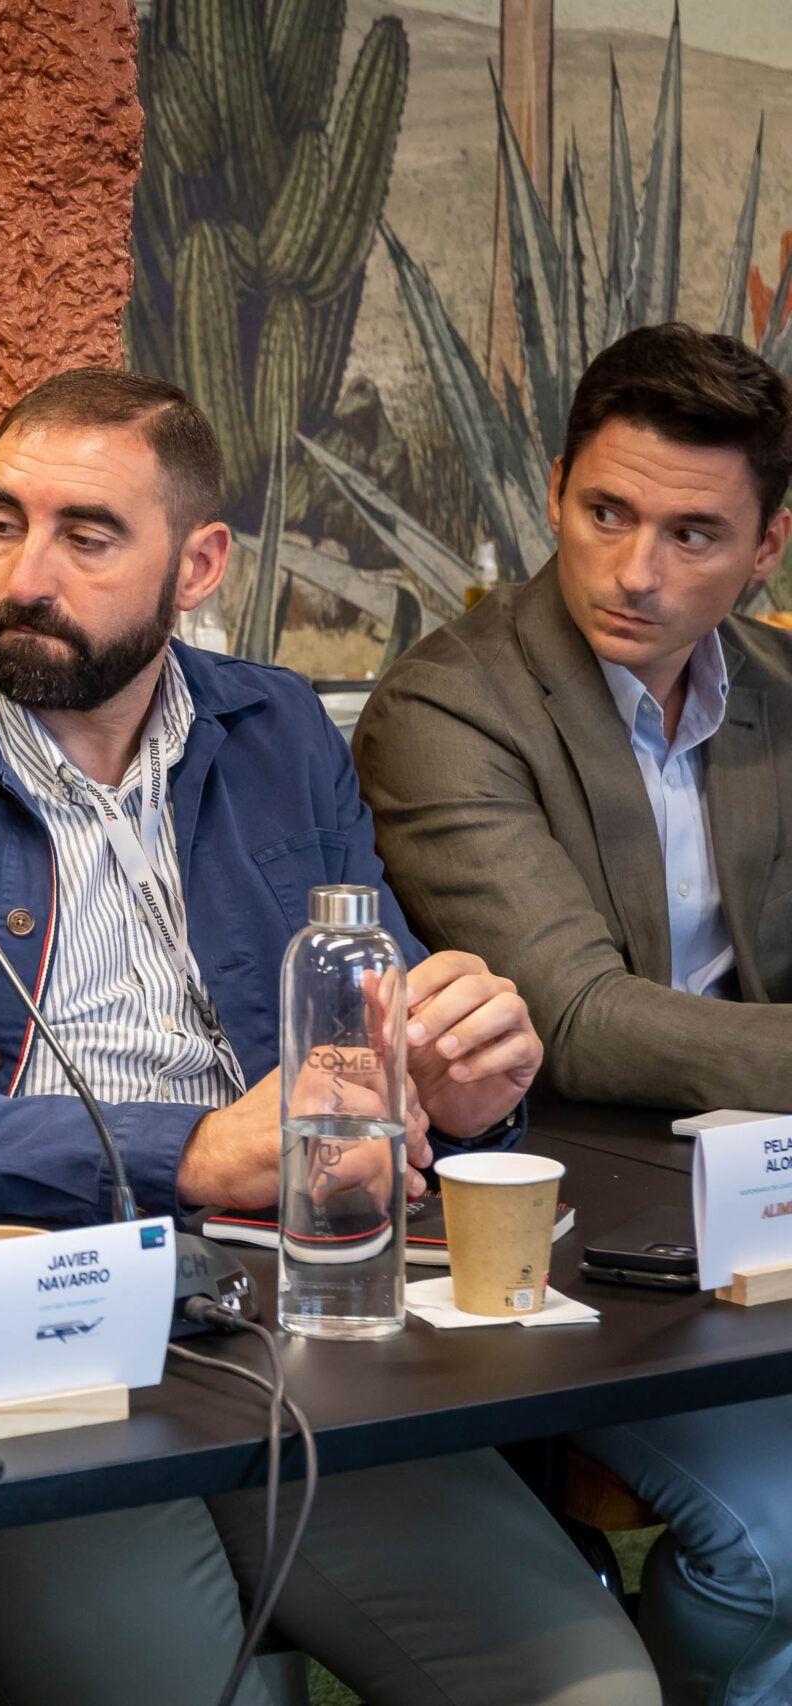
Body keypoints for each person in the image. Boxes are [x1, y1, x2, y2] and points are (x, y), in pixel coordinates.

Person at [0, 366, 657, 1705]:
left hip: (286, 1316)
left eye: (87, 535)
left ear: (199, 564)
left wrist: (460, 1084)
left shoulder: (278, 729)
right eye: (2, 523)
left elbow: (374, 1020)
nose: (24, 575)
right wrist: (191, 1153)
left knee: (592, 1688)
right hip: (4, 1343)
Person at [356, 322, 792, 1706]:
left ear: (768, 547)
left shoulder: (781, 693)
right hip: (574, 1239)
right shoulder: (447, 705)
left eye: (693, 533)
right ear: (553, 491)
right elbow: (581, 1017)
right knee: (776, 1544)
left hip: (765, 1207)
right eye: (605, 512)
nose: (635, 570)